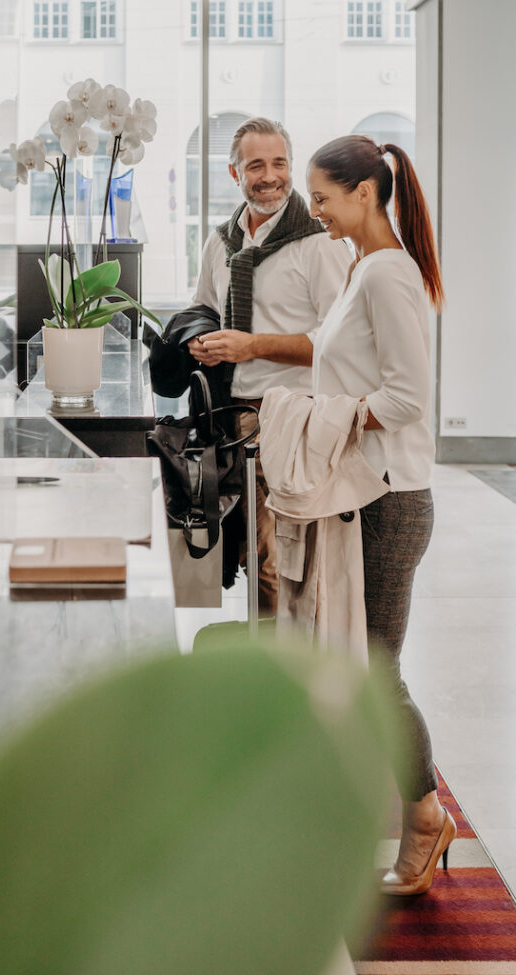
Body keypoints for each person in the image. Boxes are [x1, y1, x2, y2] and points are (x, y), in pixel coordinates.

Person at [305, 134, 455, 895]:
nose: (316, 210)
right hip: (362, 495)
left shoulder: (389, 274)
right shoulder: (363, 267)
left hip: (390, 502)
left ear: (366, 192)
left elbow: (406, 399)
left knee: (377, 674)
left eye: (324, 197)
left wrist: (329, 417)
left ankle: (424, 814)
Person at [190, 117, 350, 615]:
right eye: (255, 165)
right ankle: (265, 655)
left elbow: (341, 345)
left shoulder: (320, 244)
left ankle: (282, 676)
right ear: (233, 173)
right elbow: (204, 312)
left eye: (279, 163)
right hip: (229, 419)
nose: (270, 176)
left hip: (291, 417)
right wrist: (201, 342)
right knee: (242, 550)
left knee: (276, 559)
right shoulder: (220, 243)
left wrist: (253, 346)